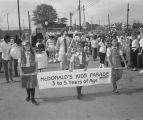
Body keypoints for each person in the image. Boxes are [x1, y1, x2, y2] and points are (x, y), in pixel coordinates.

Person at [18, 41, 39, 105]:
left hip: (32, 70)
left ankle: (33, 98)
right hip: (24, 70)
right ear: (23, 47)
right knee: (27, 85)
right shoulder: (21, 53)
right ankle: (28, 96)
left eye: (28, 45)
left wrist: (36, 70)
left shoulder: (33, 53)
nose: (27, 47)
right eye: (25, 46)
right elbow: (19, 63)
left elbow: (36, 62)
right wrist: (21, 71)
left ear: (30, 46)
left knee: (32, 85)